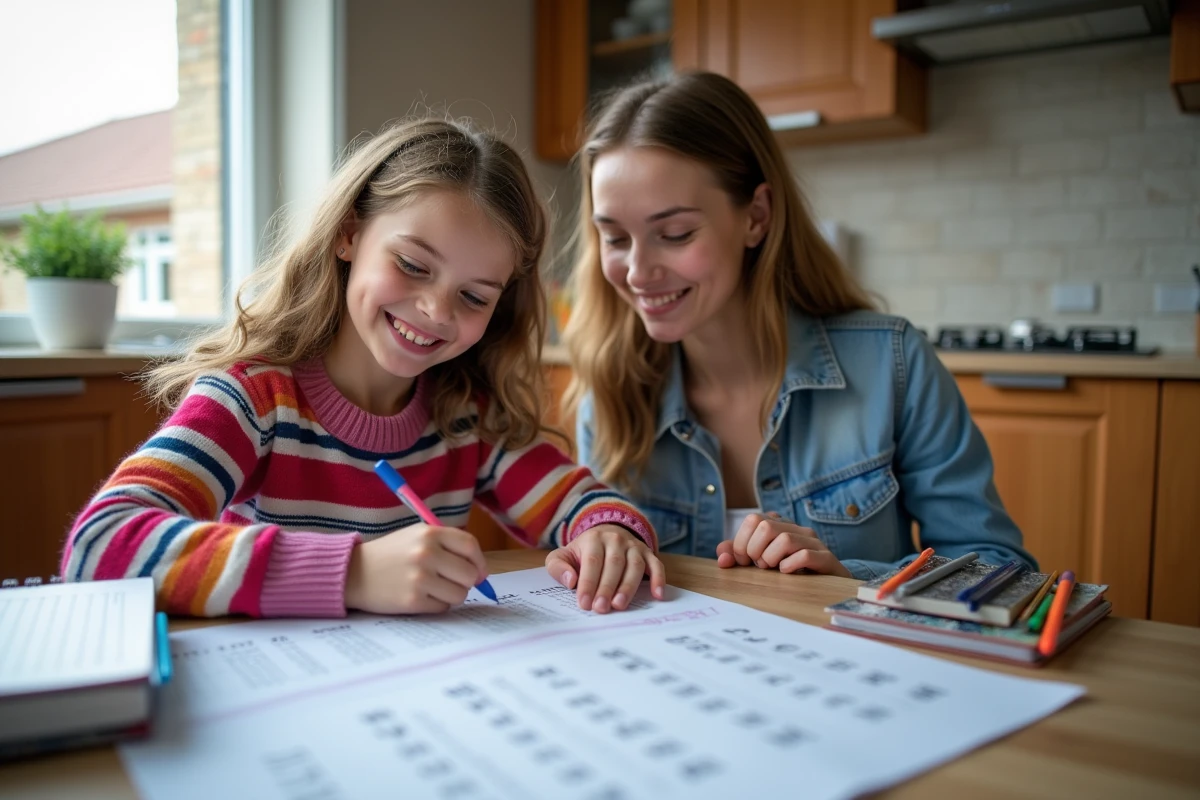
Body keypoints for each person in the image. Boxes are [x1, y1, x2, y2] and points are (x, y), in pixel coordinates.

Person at [63, 117, 664, 618]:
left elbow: (585, 504)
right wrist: (352, 573)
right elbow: (99, 545)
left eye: (475, 297)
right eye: (412, 264)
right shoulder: (253, 400)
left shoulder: (466, 418)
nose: (434, 310)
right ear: (349, 234)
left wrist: (609, 533)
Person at [562, 71, 1036, 580]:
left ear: (756, 216)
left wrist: (850, 578)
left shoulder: (892, 365)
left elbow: (1000, 569)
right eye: (614, 238)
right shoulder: (612, 393)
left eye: (674, 234)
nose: (637, 272)